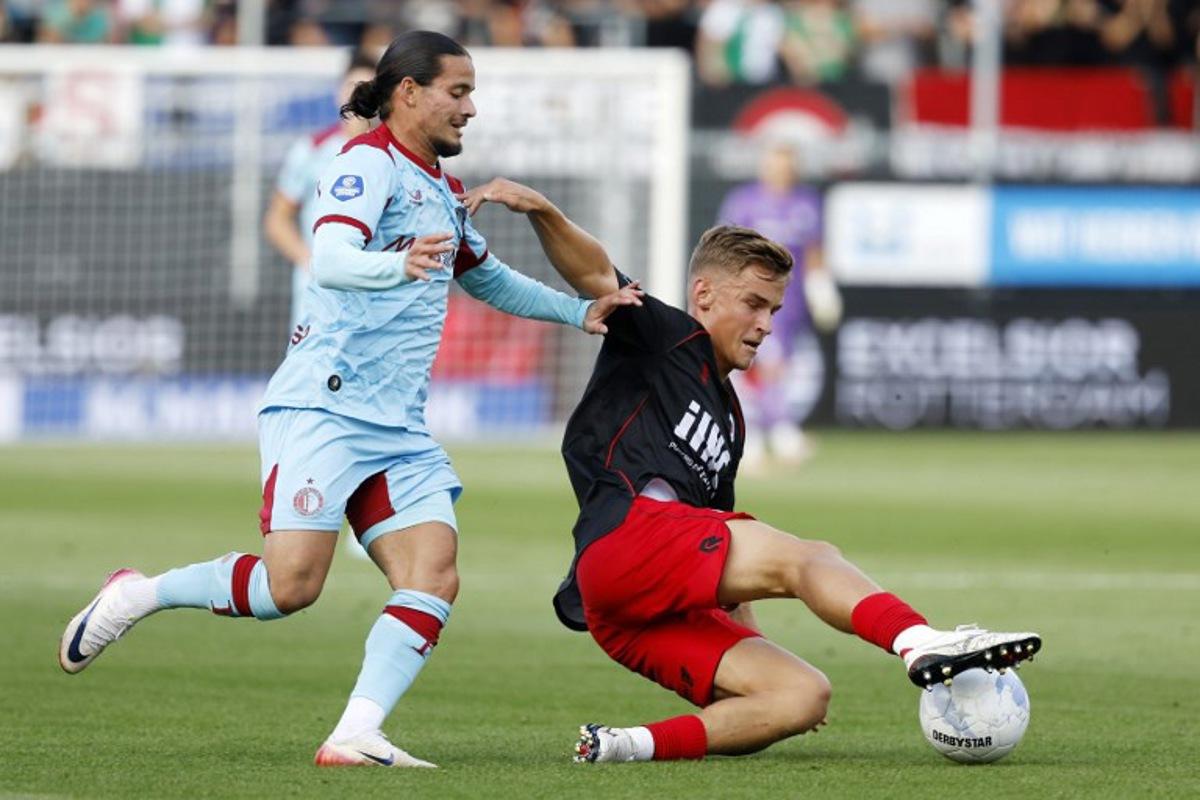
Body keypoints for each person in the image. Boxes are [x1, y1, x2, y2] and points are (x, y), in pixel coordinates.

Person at [57, 31, 640, 769]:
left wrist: (578, 313)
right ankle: (139, 593)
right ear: (408, 93)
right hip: (324, 409)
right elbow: (331, 259)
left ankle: (356, 733)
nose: (471, 108)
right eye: (457, 92)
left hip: (396, 426)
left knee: (433, 568)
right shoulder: (365, 163)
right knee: (289, 587)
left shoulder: (440, 188)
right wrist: (397, 264)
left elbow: (485, 278)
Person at [464, 185, 1042, 763]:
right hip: (625, 539)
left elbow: (721, 555)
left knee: (800, 695)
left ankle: (622, 745)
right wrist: (540, 209)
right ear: (705, 294)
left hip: (629, 612)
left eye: (774, 310)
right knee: (811, 557)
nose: (766, 324)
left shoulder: (732, 422)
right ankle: (921, 642)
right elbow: (593, 271)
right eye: (754, 303)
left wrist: (755, 650)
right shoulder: (666, 337)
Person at [716, 141, 841, 468]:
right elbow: (724, 248)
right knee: (756, 365)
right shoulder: (744, 202)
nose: (781, 172)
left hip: (789, 300)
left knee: (776, 367)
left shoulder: (807, 203)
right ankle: (765, 435)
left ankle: (768, 435)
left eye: (787, 165)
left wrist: (821, 288)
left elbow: (814, 251)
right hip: (749, 298)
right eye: (776, 164)